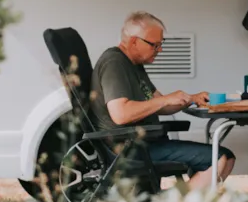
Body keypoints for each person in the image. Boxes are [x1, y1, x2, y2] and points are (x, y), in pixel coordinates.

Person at [91, 10, 235, 190]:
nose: (160, 50)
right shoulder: (114, 63)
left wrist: (190, 98)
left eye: (160, 44)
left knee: (226, 157)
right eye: (155, 45)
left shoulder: (134, 65)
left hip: (145, 143)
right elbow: (121, 114)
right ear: (135, 41)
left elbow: (158, 104)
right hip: (130, 149)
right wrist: (165, 100)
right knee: (219, 158)